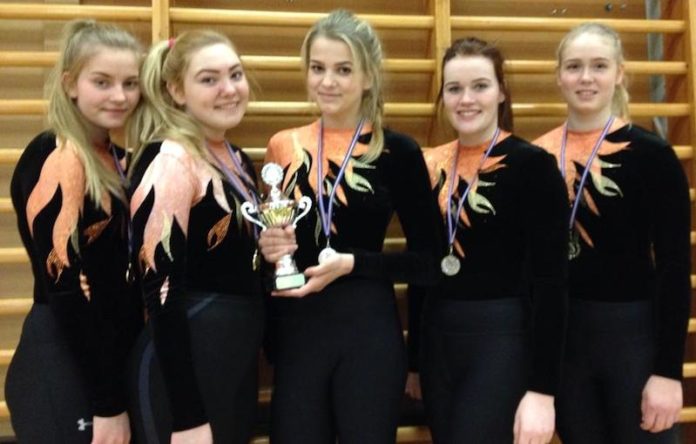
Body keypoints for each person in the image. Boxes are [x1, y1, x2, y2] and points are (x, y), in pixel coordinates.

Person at [257, 9, 442, 444]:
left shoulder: (397, 151)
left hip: (368, 332)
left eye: (343, 70)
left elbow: (430, 262)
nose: (328, 82)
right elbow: (268, 254)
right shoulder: (283, 146)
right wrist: (267, 249)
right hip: (299, 332)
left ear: (368, 77)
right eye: (317, 68)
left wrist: (354, 264)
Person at [533, 23, 691, 443]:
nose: (585, 77)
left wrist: (668, 372)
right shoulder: (536, 157)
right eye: (574, 66)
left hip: (633, 338)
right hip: (565, 342)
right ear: (559, 75)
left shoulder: (653, 156)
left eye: (599, 66)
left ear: (620, 73)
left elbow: (675, 268)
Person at [409, 37, 569, 444]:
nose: (466, 99)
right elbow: (420, 268)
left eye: (479, 86)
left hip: (500, 339)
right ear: (442, 96)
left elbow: (552, 283)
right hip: (437, 341)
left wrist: (543, 389)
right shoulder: (428, 164)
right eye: (454, 88)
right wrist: (414, 363)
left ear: (501, 92)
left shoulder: (533, 165)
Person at [6, 19, 143, 444]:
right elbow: (64, 287)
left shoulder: (118, 158)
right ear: (70, 84)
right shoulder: (56, 153)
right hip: (66, 358)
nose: (119, 96)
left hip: (109, 357)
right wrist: (108, 403)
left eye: (130, 83)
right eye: (102, 82)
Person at [127, 30, 264, 444]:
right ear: (176, 90)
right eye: (209, 79)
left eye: (235, 74)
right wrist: (187, 416)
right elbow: (160, 294)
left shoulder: (237, 158)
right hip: (183, 380)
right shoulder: (170, 160)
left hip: (232, 363)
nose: (229, 89)